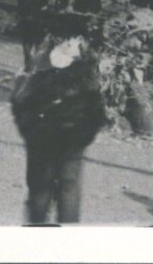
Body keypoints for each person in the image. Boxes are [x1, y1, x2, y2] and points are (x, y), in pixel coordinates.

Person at [10, 21, 106, 224]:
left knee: (59, 189)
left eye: (78, 40)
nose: (75, 44)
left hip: (64, 140)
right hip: (52, 140)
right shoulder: (46, 66)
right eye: (72, 39)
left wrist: (84, 135)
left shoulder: (79, 67)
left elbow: (96, 109)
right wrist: (30, 130)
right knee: (49, 189)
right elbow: (22, 103)